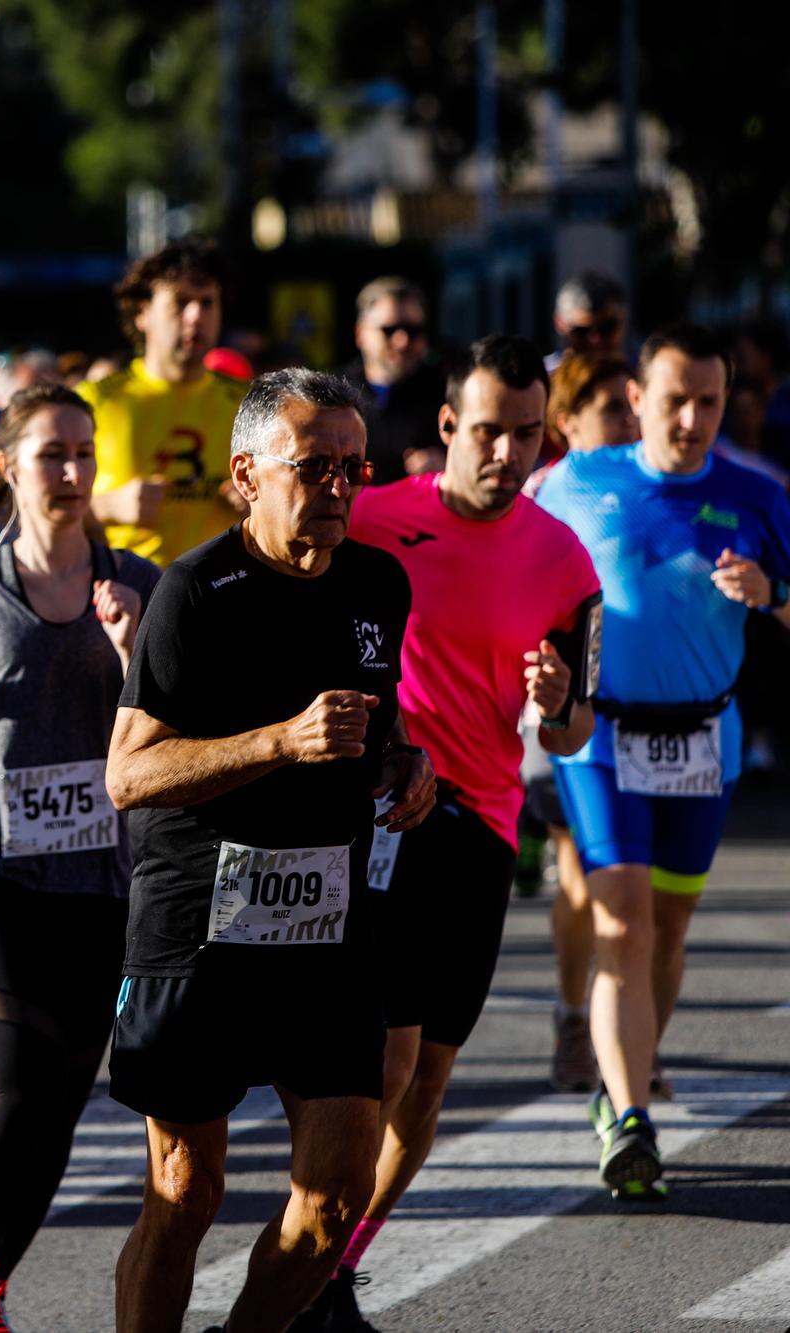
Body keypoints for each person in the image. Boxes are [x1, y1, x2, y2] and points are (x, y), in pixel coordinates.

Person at [103, 368, 434, 1333]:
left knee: (335, 1197)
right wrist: (277, 741)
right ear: (247, 473)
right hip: (199, 921)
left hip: (326, 922)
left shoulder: (380, 581)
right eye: (314, 466)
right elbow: (127, 775)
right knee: (184, 1190)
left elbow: (382, 722)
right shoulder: (196, 590)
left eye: (353, 467)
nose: (337, 487)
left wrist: (406, 767)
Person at [310, 337, 602, 1327]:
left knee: (428, 1079)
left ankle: (336, 1264)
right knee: (384, 1063)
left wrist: (559, 702)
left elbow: (572, 733)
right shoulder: (374, 518)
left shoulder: (562, 557)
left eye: (527, 433)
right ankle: (307, 1263)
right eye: (487, 430)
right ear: (445, 427)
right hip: (384, 813)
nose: (508, 451)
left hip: (482, 827)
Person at [0, 386, 160, 1333]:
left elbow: (171, 727)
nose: (70, 472)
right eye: (51, 453)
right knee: (15, 1082)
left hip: (103, 879)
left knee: (61, 1103)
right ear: (9, 466)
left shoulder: (134, 581)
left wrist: (135, 649)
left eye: (83, 454)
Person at [536, 323, 790, 1201]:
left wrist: (773, 594)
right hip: (602, 736)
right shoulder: (576, 481)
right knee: (625, 924)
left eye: (709, 402)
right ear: (636, 398)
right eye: (674, 399)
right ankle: (631, 1114)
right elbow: (516, 569)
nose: (691, 419)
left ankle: (623, 1074)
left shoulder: (758, 493)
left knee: (668, 934)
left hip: (703, 741)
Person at [520, 353, 637, 1093]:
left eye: (632, 406)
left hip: (651, 715)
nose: (629, 421)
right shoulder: (542, 492)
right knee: (581, 871)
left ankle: (632, 1028)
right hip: (564, 711)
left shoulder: (656, 482)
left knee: (633, 886)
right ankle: (573, 1018)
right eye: (612, 409)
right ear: (568, 421)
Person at [80, 238, 250, 566]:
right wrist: (108, 507)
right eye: (181, 302)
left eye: (207, 302)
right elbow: (42, 507)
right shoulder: (95, 401)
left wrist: (260, 504)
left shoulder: (249, 403)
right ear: (142, 313)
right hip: (128, 598)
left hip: (223, 594)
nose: (196, 315)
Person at [340, 277, 446, 484]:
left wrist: (449, 467)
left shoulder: (448, 394)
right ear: (361, 333)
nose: (402, 341)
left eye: (413, 331)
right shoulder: (334, 395)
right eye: (389, 330)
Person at [547, 271, 629, 373]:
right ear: (559, 323)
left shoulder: (644, 376)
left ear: (623, 320)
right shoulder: (540, 380)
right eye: (581, 331)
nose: (595, 340)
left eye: (606, 328)